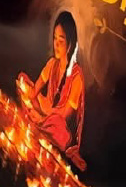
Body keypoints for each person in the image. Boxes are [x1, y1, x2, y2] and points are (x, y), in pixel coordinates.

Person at [18, 11, 86, 170]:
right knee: (24, 80)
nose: (56, 44)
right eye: (54, 38)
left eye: (61, 40)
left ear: (70, 44)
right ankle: (37, 120)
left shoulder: (77, 78)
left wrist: (42, 117)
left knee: (54, 123)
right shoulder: (52, 64)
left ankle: (38, 122)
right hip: (45, 110)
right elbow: (35, 90)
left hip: (59, 127)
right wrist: (27, 92)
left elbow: (64, 115)